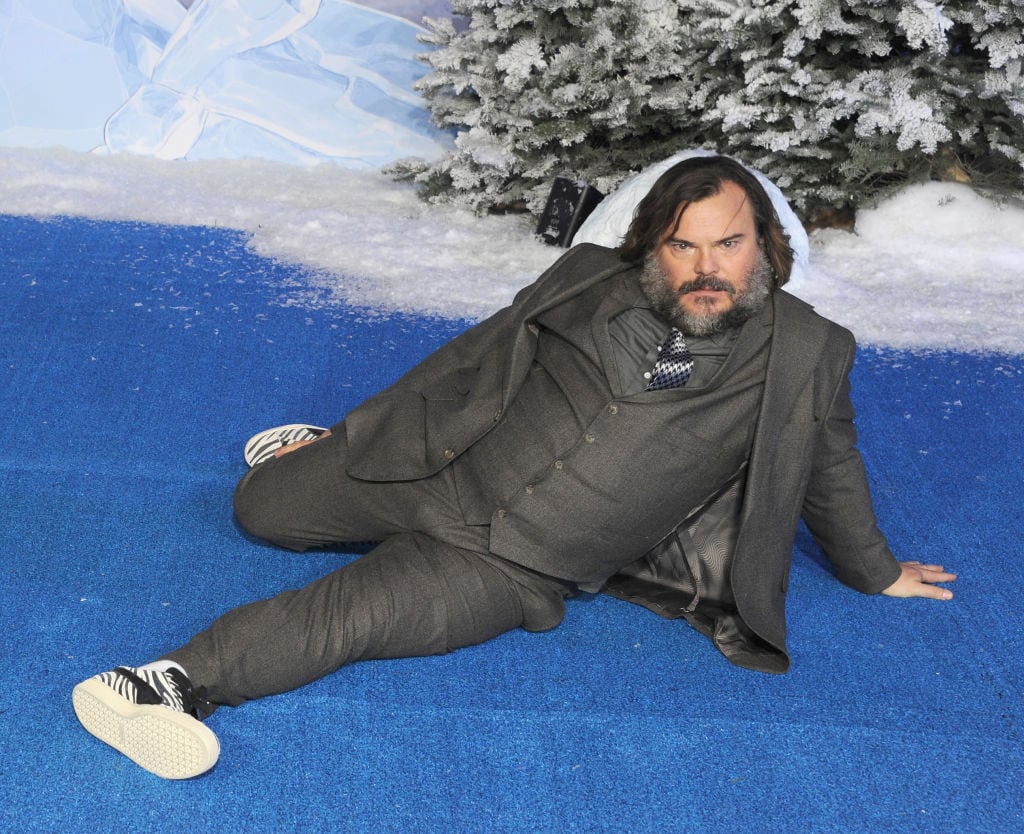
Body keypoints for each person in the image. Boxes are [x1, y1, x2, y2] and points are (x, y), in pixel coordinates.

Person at [71, 155, 956, 780]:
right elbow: (467, 361)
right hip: (444, 469)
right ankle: (312, 451)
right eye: (682, 246)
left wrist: (875, 571)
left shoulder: (808, 353)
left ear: (764, 242)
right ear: (652, 245)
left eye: (728, 244)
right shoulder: (589, 278)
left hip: (511, 564)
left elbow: (831, 466)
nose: (706, 269)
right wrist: (363, 434)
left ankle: (159, 686)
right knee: (260, 510)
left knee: (347, 616)